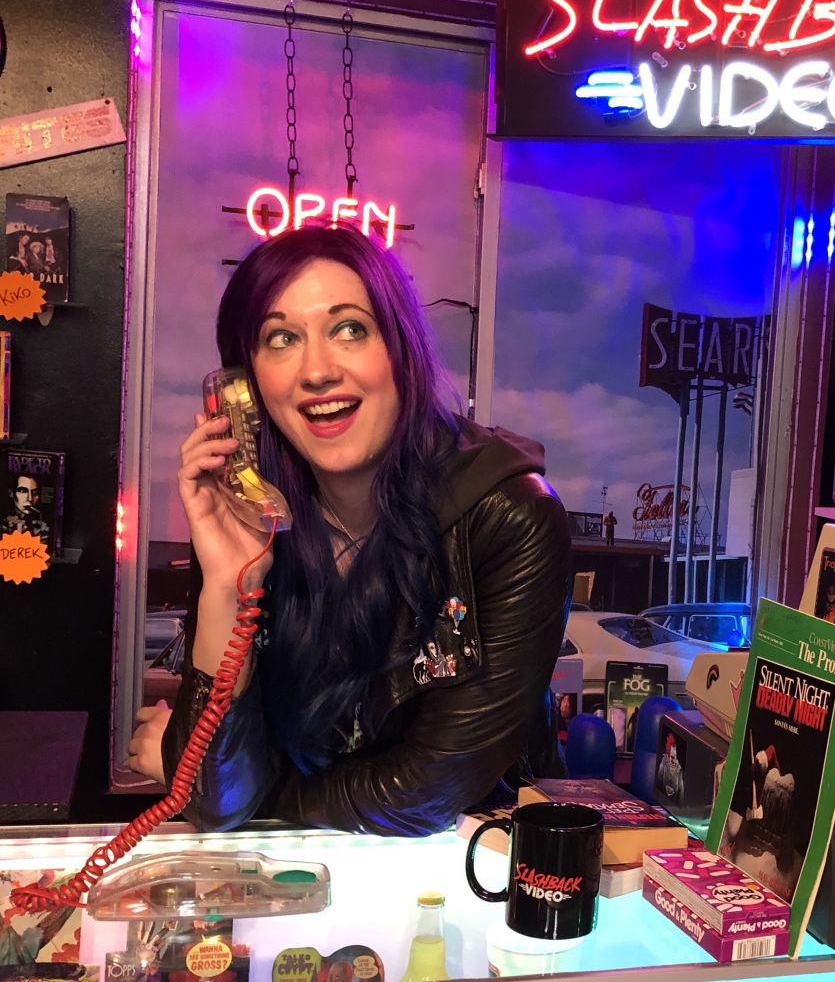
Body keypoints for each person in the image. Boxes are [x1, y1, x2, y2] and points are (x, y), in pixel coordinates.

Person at [126, 225, 572, 835]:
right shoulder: (252, 517)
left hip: (478, 865)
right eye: (281, 339)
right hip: (312, 871)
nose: (316, 371)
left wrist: (264, 798)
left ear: (400, 349)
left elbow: (425, 794)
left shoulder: (510, 517)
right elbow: (215, 804)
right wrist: (229, 586)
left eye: (349, 329)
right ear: (243, 386)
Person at [3, 473, 49, 542]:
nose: (30, 498)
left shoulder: (41, 525)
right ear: (11, 493)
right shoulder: (4, 523)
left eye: (35, 492)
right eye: (23, 491)